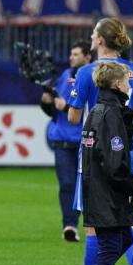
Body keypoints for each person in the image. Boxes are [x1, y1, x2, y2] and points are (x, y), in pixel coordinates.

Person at [68, 17, 133, 265]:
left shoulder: (88, 71)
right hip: (124, 153)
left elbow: (74, 116)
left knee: (95, 227)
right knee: (128, 224)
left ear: (100, 40)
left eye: (93, 34)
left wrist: (63, 101)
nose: (91, 38)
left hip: (93, 158)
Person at [81, 61, 133, 265]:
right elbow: (114, 165)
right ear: (118, 84)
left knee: (125, 239)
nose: (130, 86)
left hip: (97, 190)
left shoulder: (96, 111)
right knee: (110, 248)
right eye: (128, 81)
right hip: (107, 195)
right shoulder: (111, 116)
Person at [40, 40, 91, 242]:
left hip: (85, 142)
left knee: (88, 186)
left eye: (76, 54)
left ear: (88, 56)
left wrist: (64, 106)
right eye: (71, 53)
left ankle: (92, 225)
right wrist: (45, 103)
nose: (71, 57)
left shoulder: (94, 76)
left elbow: (87, 108)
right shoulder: (65, 76)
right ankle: (70, 225)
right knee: (67, 185)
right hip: (63, 141)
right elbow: (54, 112)